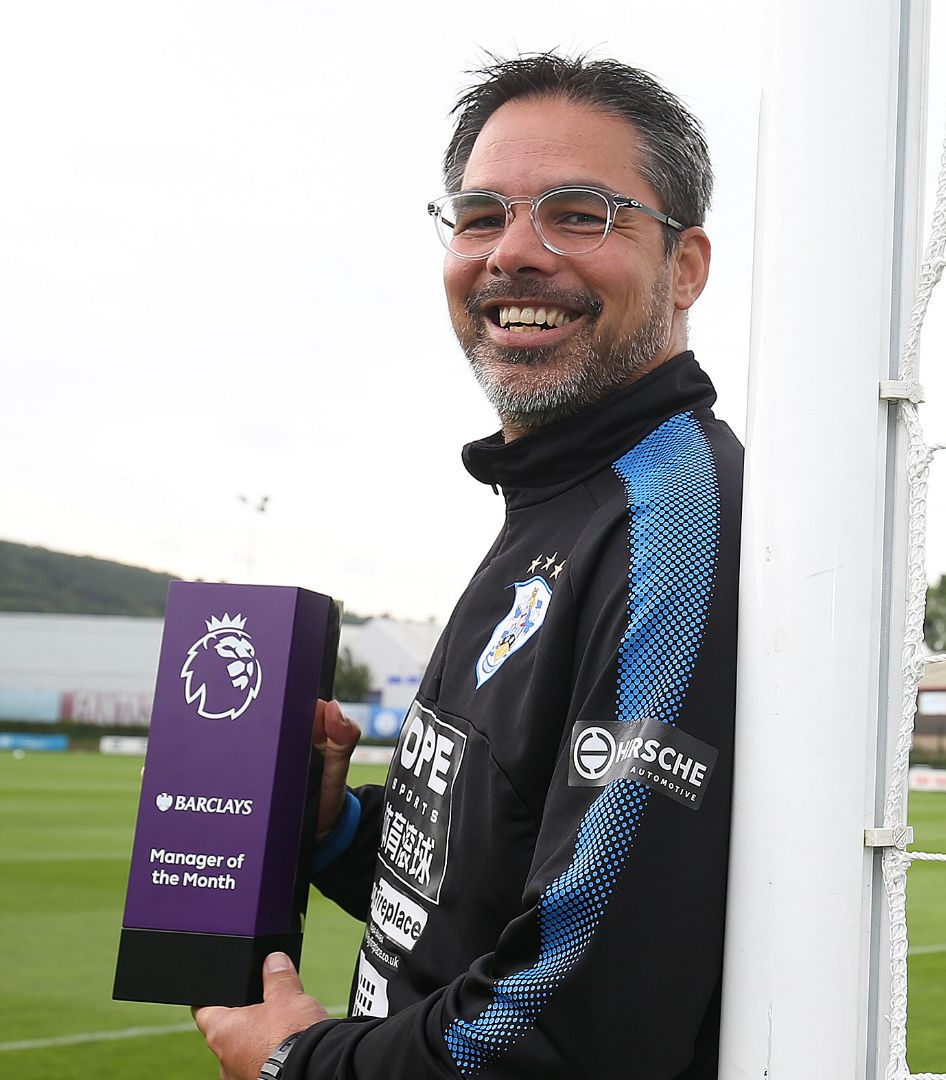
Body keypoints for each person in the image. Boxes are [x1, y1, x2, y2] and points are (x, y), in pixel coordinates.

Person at [195, 53, 741, 1079]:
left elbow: (573, 1017)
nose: (515, 255)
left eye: (581, 213)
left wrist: (301, 1066)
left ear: (688, 265)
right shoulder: (557, 499)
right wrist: (342, 832)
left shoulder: (675, 523)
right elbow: (487, 900)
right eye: (482, 215)